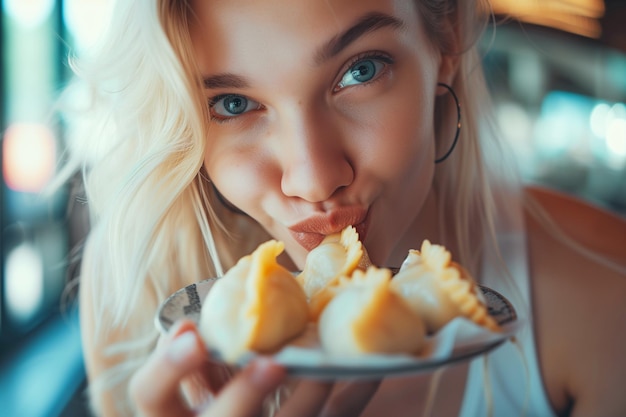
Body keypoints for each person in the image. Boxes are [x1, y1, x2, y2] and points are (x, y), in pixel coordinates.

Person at [57, 0, 626, 416]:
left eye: (361, 70)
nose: (313, 179)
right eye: (233, 104)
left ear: (445, 44)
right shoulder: (136, 285)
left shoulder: (601, 287)